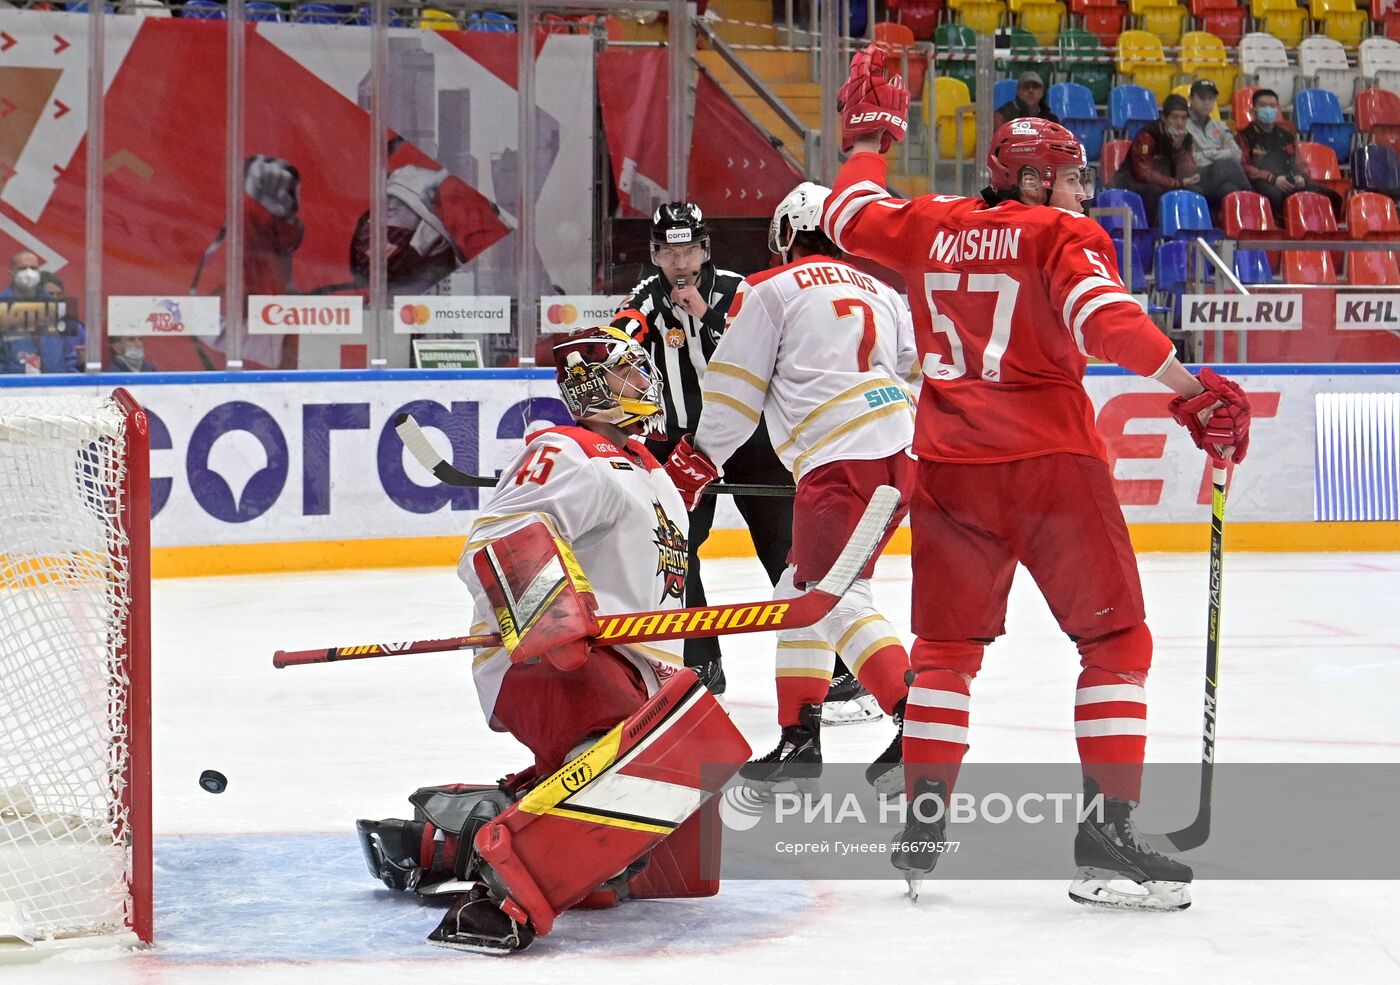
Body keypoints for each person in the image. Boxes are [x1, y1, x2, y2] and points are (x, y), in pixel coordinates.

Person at [825, 47, 1253, 909]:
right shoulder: (1061, 236)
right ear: (1029, 181)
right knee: (1116, 643)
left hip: (948, 470)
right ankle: (1106, 832)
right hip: (1053, 468)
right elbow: (1110, 322)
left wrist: (872, 136)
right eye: (1069, 177)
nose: (1084, 192)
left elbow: (845, 211)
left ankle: (924, 821)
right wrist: (1192, 387)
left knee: (944, 655)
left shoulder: (931, 222)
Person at [354, 326, 748, 953]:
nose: (641, 383)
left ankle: (445, 835)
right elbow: (490, 542)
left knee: (675, 843)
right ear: (593, 388)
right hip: (555, 662)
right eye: (625, 373)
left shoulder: (647, 467)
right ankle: (503, 893)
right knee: (601, 832)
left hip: (633, 668)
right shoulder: (567, 450)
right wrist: (554, 618)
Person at [665, 182, 918, 794]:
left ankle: (919, 724)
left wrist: (693, 466)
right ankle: (799, 738)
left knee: (830, 596)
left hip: (840, 460)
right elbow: (914, 370)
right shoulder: (885, 292)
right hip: (900, 452)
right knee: (795, 589)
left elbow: (731, 392)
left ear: (785, 234)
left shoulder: (770, 290)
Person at [611, 202, 795, 697]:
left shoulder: (741, 291)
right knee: (679, 552)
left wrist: (708, 316)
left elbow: (774, 349)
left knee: (786, 551)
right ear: (653, 254)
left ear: (705, 249)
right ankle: (702, 665)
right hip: (682, 444)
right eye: (668, 252)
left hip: (751, 438)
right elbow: (618, 342)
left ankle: (836, 667)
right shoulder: (646, 298)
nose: (680, 263)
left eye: (688, 250)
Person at [1236, 88, 1344, 223]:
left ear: (1278, 109)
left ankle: (1326, 231)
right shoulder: (1244, 136)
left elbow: (1299, 163)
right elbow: (1244, 167)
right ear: (1253, 111)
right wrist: (1272, 178)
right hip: (1262, 183)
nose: (1268, 110)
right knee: (1273, 197)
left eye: (1272, 106)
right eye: (1263, 106)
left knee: (1333, 197)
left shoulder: (1286, 135)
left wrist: (1302, 178)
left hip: (1289, 182)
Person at [1115, 93, 1199, 222]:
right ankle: (1153, 233)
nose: (1179, 123)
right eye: (1174, 117)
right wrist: (1177, 183)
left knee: (1195, 191)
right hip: (1133, 181)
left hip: (1167, 181)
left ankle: (1186, 232)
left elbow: (1189, 172)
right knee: (1155, 191)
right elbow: (1144, 173)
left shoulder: (1186, 138)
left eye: (1183, 118)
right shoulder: (1147, 136)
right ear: (1163, 118)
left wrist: (1178, 149)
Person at [0, 251, 83, 374]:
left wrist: (67, 377)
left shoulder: (53, 306)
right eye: (22, 268)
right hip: (13, 387)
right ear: (11, 273)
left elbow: (68, 349)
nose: (29, 273)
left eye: (33, 268)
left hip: (55, 385)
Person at [1184, 79, 1252, 216]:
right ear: (1191, 98)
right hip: (1195, 175)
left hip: (1218, 177)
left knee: (1230, 188)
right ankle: (1254, 203)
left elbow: (1237, 154)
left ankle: (1237, 229)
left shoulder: (1220, 126)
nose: (1207, 102)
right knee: (1228, 164)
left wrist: (1207, 154)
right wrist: (1221, 154)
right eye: (1202, 98)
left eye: (1211, 98)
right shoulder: (1183, 125)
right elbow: (1193, 159)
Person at [992, 71, 1060, 130]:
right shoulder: (1003, 116)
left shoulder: (1051, 119)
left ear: (1042, 92)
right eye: (1026, 86)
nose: (1031, 90)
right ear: (1018, 91)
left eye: (1035, 87)